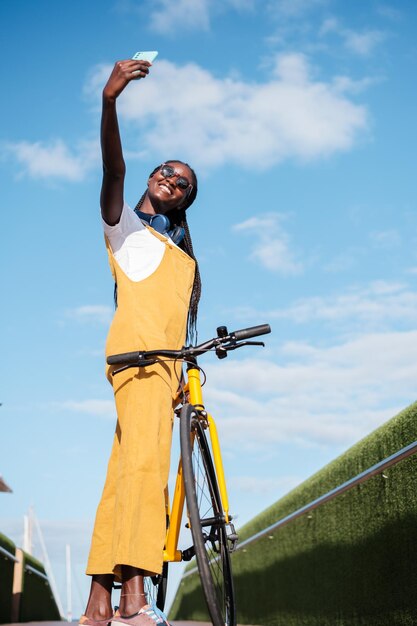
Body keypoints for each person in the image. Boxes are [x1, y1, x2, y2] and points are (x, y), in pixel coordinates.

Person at [79, 57, 201, 626]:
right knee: (149, 473)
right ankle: (133, 598)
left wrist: (187, 377)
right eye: (166, 171)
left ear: (183, 202)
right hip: (139, 360)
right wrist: (110, 102)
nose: (169, 180)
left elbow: (182, 325)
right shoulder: (124, 228)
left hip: (162, 369)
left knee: (126, 473)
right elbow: (115, 170)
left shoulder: (183, 256)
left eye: (181, 184)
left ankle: (98, 604)